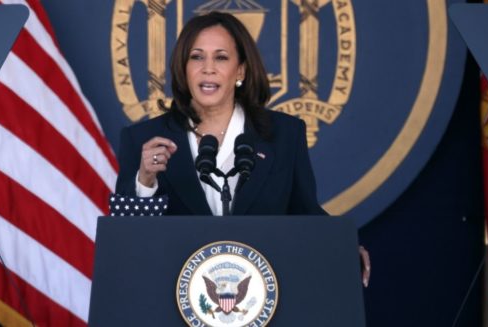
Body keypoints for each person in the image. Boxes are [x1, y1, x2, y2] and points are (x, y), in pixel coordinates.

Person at [113, 11, 370, 286]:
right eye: (196, 57)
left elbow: (305, 214)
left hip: (263, 297)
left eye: (221, 57)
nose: (207, 68)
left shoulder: (283, 135)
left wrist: (341, 249)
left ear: (241, 71)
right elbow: (129, 240)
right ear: (183, 68)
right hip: (176, 297)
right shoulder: (144, 138)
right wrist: (145, 181)